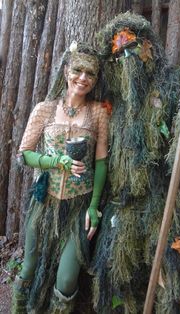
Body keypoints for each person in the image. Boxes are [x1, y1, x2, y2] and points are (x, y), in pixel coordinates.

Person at [91, 12, 180, 314]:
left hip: (160, 200)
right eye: (118, 52)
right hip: (121, 204)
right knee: (115, 274)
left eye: (132, 47)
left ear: (148, 44)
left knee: (171, 275)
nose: (126, 57)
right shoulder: (113, 95)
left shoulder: (174, 81)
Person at [12, 42, 109, 313]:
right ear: (66, 71)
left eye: (90, 73)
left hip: (80, 204)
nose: (83, 78)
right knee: (29, 264)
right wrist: (56, 162)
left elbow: (101, 162)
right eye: (78, 70)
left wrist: (93, 206)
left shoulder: (99, 112)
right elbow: (25, 154)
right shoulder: (44, 109)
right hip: (44, 199)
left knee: (67, 278)